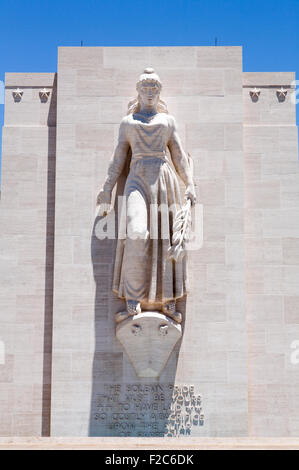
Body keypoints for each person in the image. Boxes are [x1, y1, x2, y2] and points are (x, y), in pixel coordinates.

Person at [97, 68, 196, 323]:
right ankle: (133, 294)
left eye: (154, 89)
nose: (150, 93)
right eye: (145, 88)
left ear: (159, 92)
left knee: (165, 241)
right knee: (137, 232)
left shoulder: (168, 122)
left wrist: (190, 184)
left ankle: (167, 300)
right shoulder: (128, 123)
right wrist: (107, 187)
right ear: (138, 92)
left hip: (164, 180)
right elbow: (118, 157)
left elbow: (179, 155)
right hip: (137, 177)